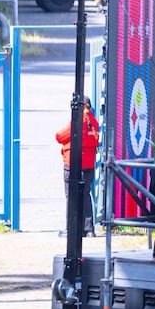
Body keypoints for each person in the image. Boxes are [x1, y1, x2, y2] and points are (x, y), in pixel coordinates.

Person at [56, 98, 101, 234]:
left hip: (73, 164)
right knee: (86, 195)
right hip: (88, 166)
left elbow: (59, 136)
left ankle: (72, 228)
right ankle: (88, 229)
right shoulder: (93, 123)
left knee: (71, 196)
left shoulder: (75, 122)